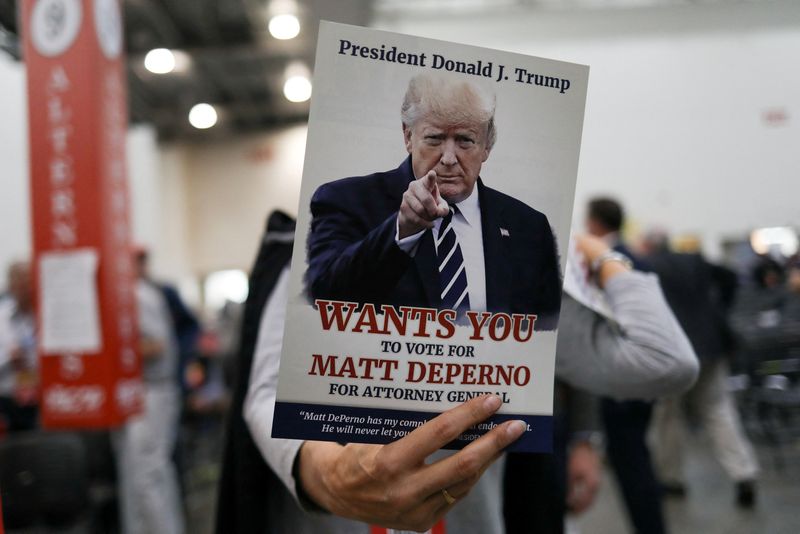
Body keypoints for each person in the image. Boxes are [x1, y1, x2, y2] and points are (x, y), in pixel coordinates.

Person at [216, 207, 697, 532]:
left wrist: (601, 255)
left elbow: (664, 360)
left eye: (464, 140)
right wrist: (326, 474)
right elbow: (265, 392)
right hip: (335, 520)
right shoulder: (319, 246)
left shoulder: (513, 264)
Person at [305, 73, 562, 328]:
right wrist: (401, 232)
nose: (449, 158)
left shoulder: (529, 227)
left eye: (465, 140)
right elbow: (324, 297)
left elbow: (549, 335)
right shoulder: (347, 201)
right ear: (408, 137)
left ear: (487, 146)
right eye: (435, 138)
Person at [643, 232, 760, 508]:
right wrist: (720, 309)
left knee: (669, 417)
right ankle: (744, 473)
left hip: (674, 349)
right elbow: (730, 277)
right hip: (710, 343)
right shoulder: (694, 260)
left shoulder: (648, 266)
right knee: (719, 410)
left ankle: (672, 479)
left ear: (649, 246)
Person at [585, 197, 667, 534]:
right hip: (638, 381)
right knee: (637, 461)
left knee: (632, 465)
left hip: (622, 384)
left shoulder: (610, 264)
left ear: (595, 223)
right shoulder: (637, 259)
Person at [112, 253, 185, 534]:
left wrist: (113, 354)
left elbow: (157, 346)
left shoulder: (139, 295)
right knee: (135, 478)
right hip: (135, 393)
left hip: (152, 391)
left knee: (147, 476)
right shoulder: (122, 294)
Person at [0, 261, 38, 432]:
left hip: (42, 398)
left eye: (27, 280)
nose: (24, 287)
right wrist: (9, 358)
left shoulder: (45, 314)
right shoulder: (2, 318)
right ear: (10, 285)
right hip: (8, 400)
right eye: (18, 281)